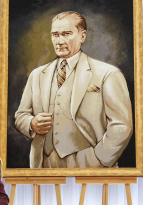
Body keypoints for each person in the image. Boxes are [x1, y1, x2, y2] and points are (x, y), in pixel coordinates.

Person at [14, 11, 133, 168]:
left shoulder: (107, 73)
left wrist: (98, 159)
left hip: (90, 164)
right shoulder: (37, 75)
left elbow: (121, 125)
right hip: (44, 164)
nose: (59, 41)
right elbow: (20, 116)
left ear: (82, 36)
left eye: (66, 34)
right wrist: (31, 123)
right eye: (55, 35)